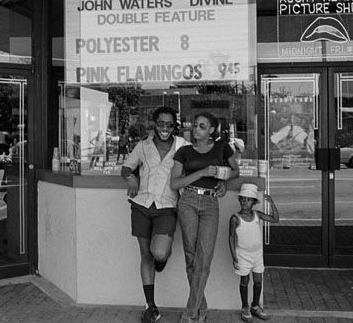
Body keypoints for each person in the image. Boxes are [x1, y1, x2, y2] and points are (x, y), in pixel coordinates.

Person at [120, 106, 189, 323]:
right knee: (145, 255)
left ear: (174, 125)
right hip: (141, 204)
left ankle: (163, 259)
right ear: (154, 124)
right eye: (161, 124)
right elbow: (126, 168)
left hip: (167, 207)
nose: (165, 128)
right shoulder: (143, 146)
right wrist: (130, 177)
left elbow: (199, 164)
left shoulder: (183, 147)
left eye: (169, 124)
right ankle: (151, 306)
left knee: (158, 253)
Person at [171, 112, 239, 323]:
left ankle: (191, 312)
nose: (196, 129)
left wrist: (223, 181)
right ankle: (200, 308)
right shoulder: (184, 151)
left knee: (204, 259)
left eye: (201, 126)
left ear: (211, 131)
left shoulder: (222, 147)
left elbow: (235, 170)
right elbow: (174, 183)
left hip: (210, 203)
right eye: (195, 126)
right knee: (191, 257)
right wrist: (201, 173)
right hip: (188, 201)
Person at [228, 183, 279, 322]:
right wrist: (234, 257)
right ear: (239, 200)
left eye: (249, 199)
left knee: (258, 281)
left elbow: (275, 219)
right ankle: (245, 307)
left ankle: (255, 306)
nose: (245, 202)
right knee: (244, 281)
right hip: (242, 255)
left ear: (254, 202)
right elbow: (231, 238)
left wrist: (272, 203)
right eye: (243, 199)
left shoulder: (257, 215)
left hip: (257, 254)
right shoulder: (235, 218)